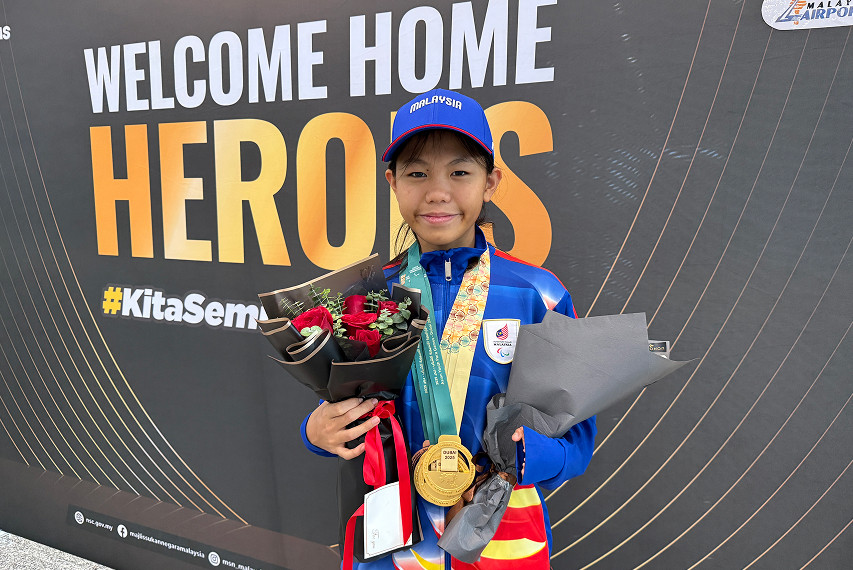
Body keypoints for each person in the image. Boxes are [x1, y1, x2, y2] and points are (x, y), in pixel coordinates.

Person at [302, 88, 597, 569]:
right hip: (391, 539)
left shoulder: (539, 294)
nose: (437, 192)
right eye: (417, 173)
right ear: (393, 182)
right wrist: (317, 430)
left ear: (491, 182)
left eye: (460, 172)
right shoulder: (368, 295)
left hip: (499, 534)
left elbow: (577, 441)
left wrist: (529, 457)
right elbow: (344, 404)